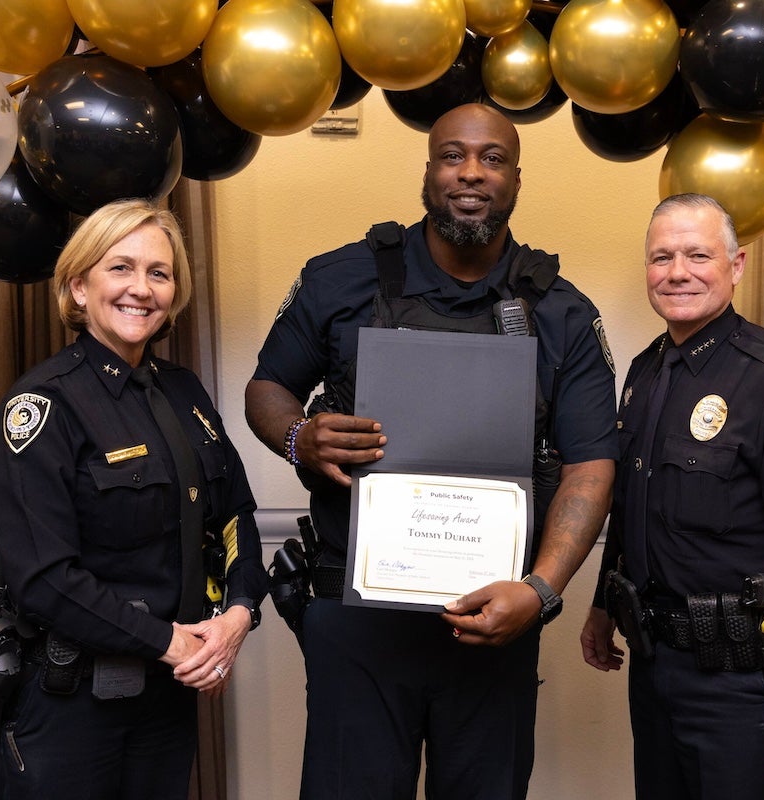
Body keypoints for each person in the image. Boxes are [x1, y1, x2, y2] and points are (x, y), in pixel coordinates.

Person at [245, 102, 617, 799]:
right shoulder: (340, 279)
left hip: (492, 630)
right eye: (452, 155)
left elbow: (590, 465)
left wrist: (539, 592)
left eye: (492, 158)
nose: (471, 172)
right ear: (428, 169)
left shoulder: (564, 313)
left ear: (515, 177)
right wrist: (300, 437)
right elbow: (267, 387)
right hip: (353, 622)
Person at [0, 198, 268, 799]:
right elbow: (44, 579)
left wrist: (238, 615)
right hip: (69, 706)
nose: (142, 288)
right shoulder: (40, 408)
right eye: (121, 268)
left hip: (166, 701)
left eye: (159, 273)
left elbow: (236, 513)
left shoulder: (183, 391)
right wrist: (170, 641)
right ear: (79, 286)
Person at [580, 194, 764, 799]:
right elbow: (631, 509)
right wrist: (604, 604)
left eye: (698, 255)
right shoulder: (647, 371)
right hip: (655, 669)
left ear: (736, 266)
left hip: (743, 683)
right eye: (661, 257)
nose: (677, 272)